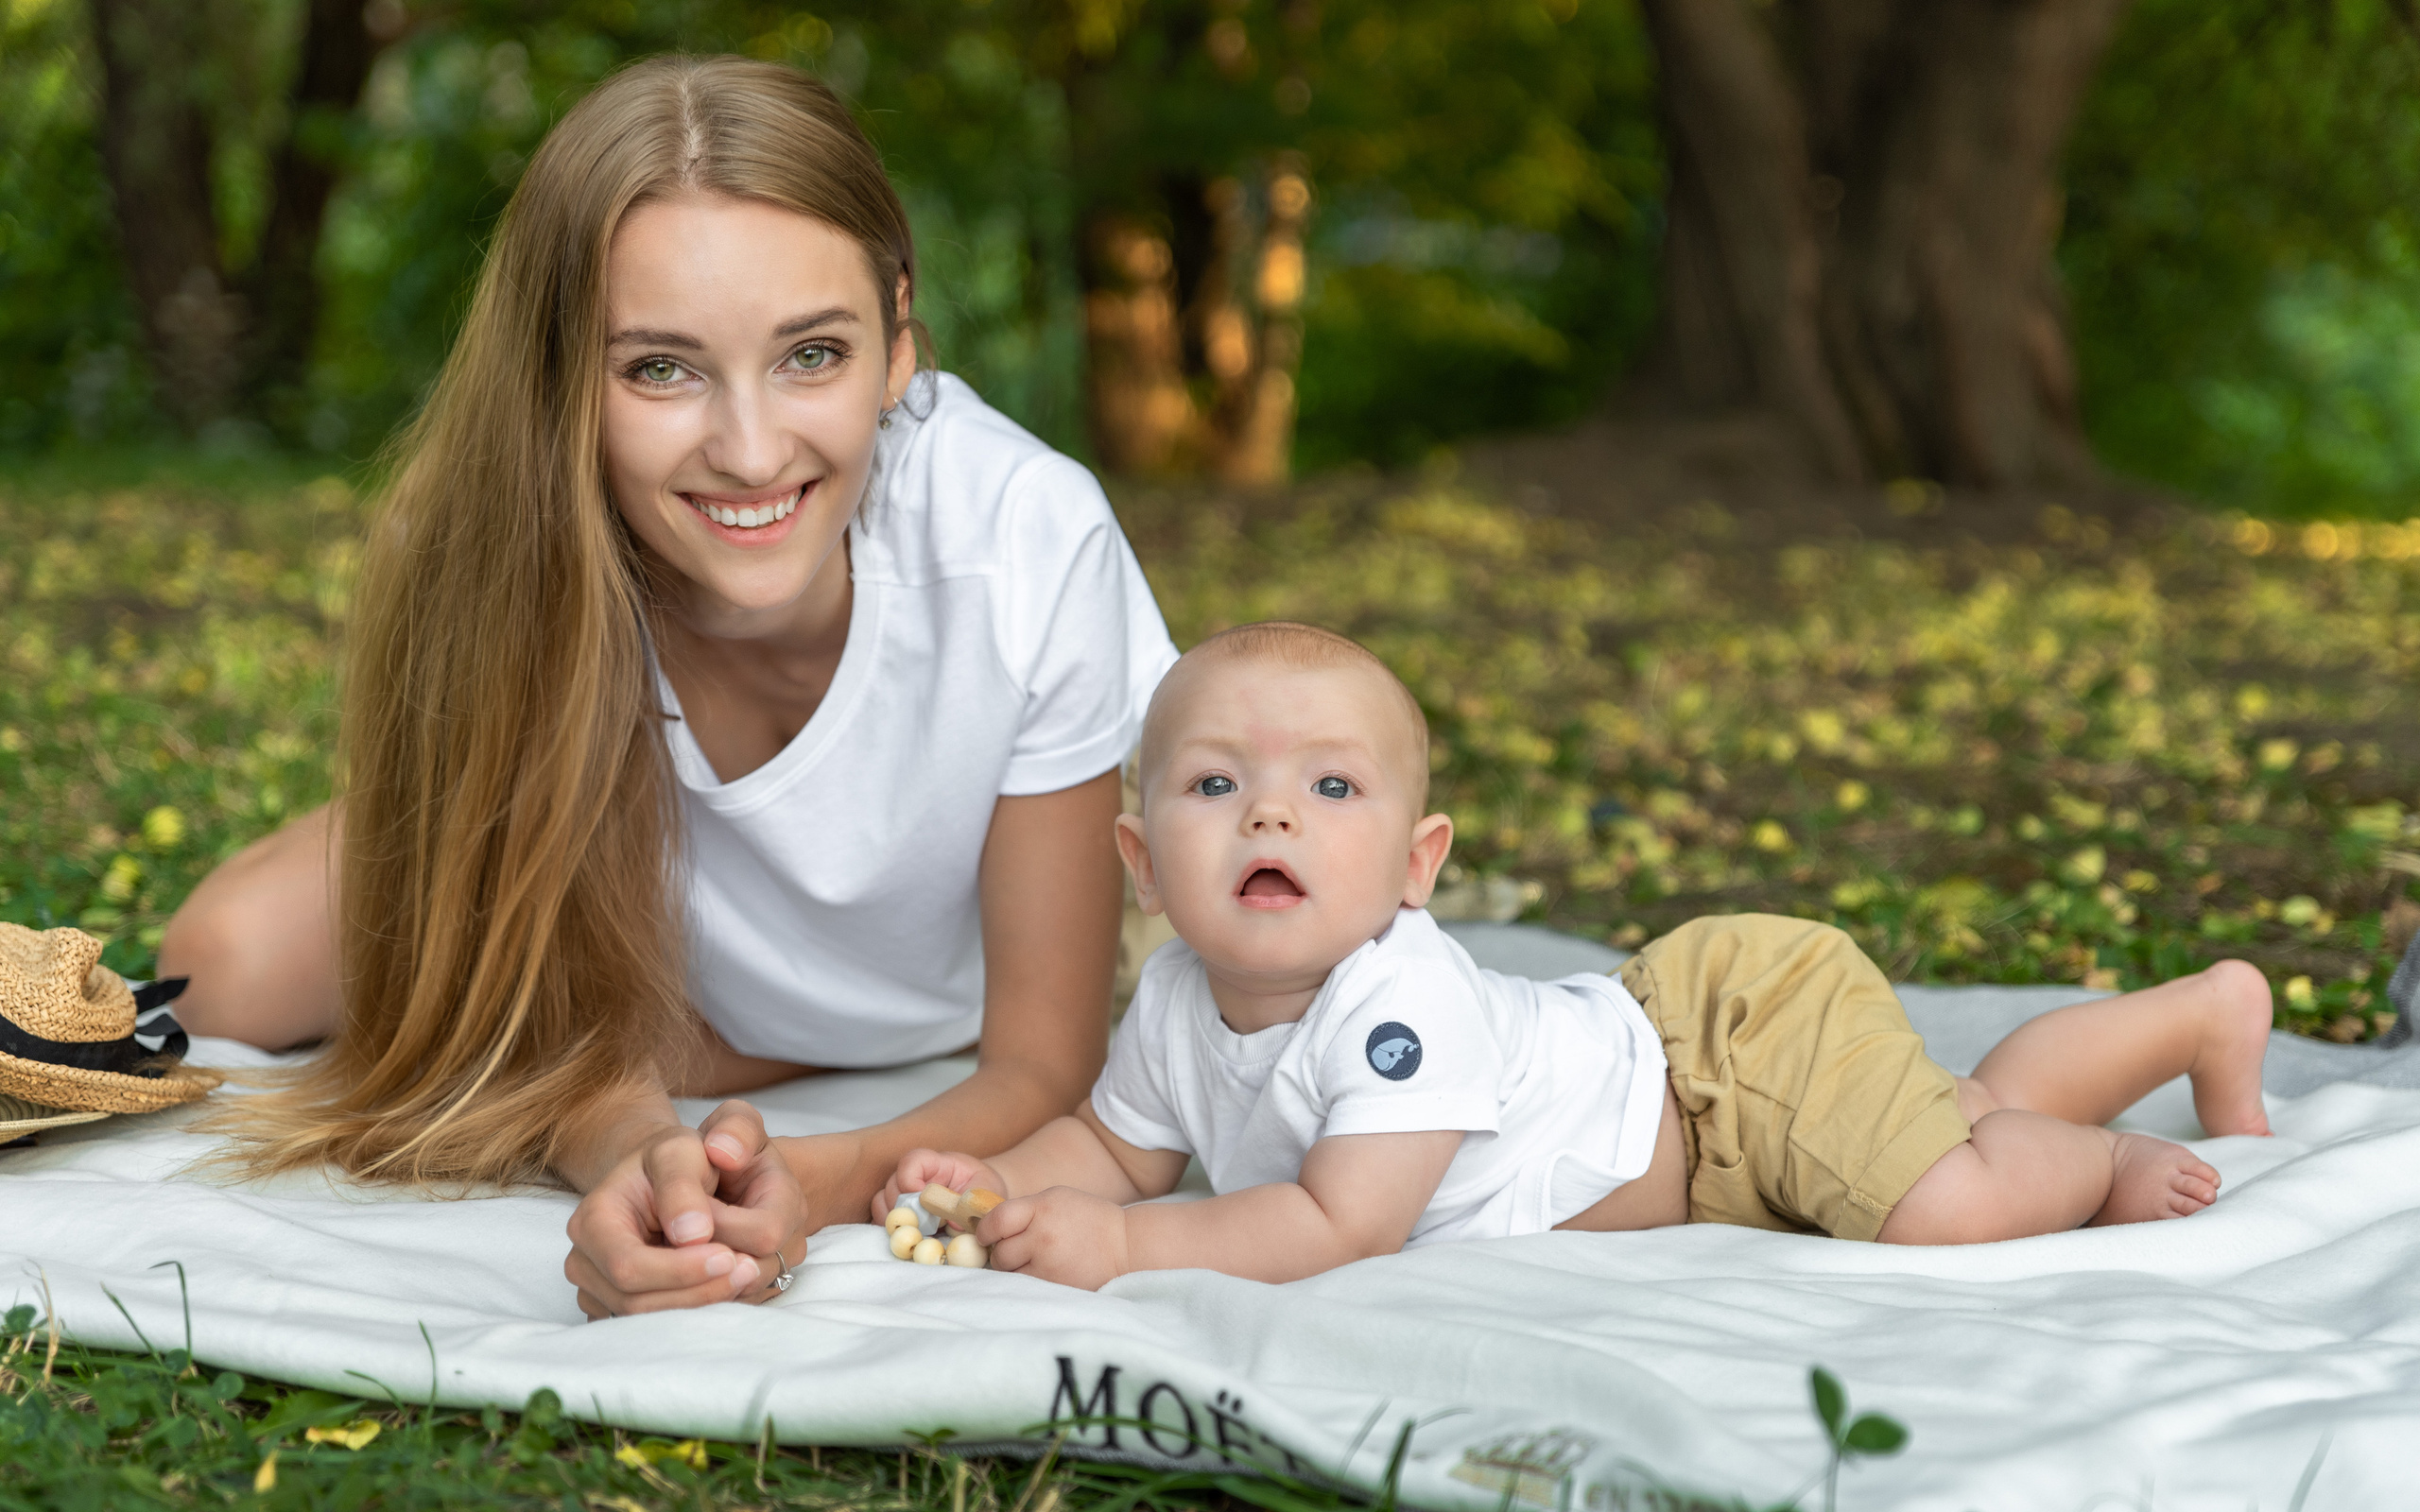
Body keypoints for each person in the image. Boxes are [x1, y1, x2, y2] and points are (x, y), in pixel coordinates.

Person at [156, 56, 1176, 1318]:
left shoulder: (1025, 535)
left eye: (812, 354)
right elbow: (551, 1009)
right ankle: (697, 1030)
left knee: (852, 1033)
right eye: (659, 370)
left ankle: (755, 1038)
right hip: (628, 963)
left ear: (900, 335)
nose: (750, 451)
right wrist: (647, 1157)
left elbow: (1044, 1057)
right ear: (560, 373)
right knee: (221, 971)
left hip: (924, 994)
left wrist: (812, 1176)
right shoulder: (486, 541)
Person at [883, 624, 2275, 1286]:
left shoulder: (1397, 997)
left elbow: (1339, 1223)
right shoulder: (1182, 998)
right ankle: (2191, 1018)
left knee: (1942, 1203)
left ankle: (2107, 1157)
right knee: (1950, 1119)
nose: (1270, 811)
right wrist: (995, 1186)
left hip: (1723, 1055)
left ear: (1418, 868)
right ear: (1140, 866)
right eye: (1213, 787)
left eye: (1332, 789)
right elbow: (1118, 1149)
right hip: (1695, 1123)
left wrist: (1123, 1248)